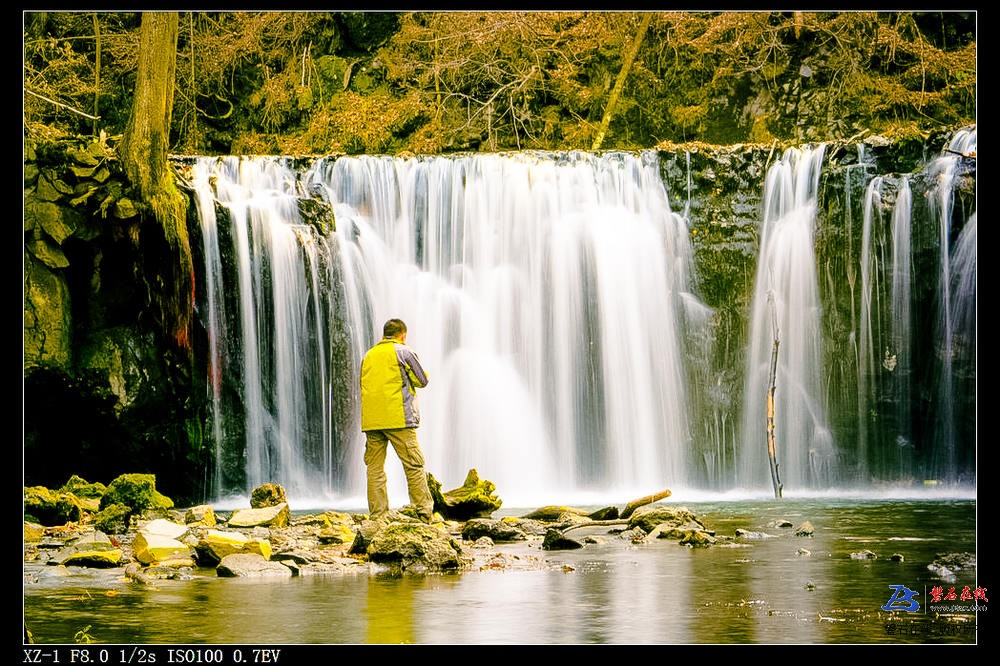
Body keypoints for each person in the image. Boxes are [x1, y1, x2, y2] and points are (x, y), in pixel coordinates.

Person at [359, 318, 435, 523]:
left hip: (372, 420)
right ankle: (424, 512)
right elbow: (422, 381)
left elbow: (362, 383)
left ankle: (378, 515)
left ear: (383, 335)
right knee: (414, 464)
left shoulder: (368, 355)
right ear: (403, 335)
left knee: (374, 469)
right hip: (399, 418)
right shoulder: (404, 352)